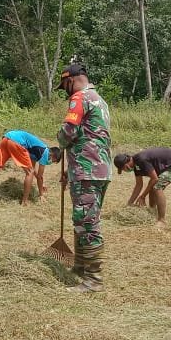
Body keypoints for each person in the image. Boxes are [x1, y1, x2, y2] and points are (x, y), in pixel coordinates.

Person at [56, 62, 112, 293]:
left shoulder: (79, 98)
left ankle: (93, 280)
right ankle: (80, 265)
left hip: (86, 169)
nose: (66, 91)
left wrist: (59, 143)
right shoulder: (100, 99)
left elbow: (69, 130)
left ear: (73, 80)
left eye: (65, 85)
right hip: (99, 169)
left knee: (88, 222)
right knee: (82, 218)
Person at [0, 130, 61, 205]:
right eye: (53, 161)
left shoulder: (37, 151)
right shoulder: (46, 153)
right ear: (53, 155)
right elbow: (40, 176)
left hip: (7, 138)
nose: (50, 162)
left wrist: (41, 184)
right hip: (16, 142)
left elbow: (33, 169)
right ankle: (24, 202)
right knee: (29, 173)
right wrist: (41, 194)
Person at [114, 147, 171, 226]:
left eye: (124, 168)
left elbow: (155, 179)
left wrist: (143, 196)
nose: (125, 170)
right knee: (152, 186)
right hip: (165, 166)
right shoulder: (136, 166)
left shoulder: (141, 160)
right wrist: (129, 204)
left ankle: (162, 220)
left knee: (157, 187)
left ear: (126, 164)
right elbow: (138, 185)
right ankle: (152, 212)